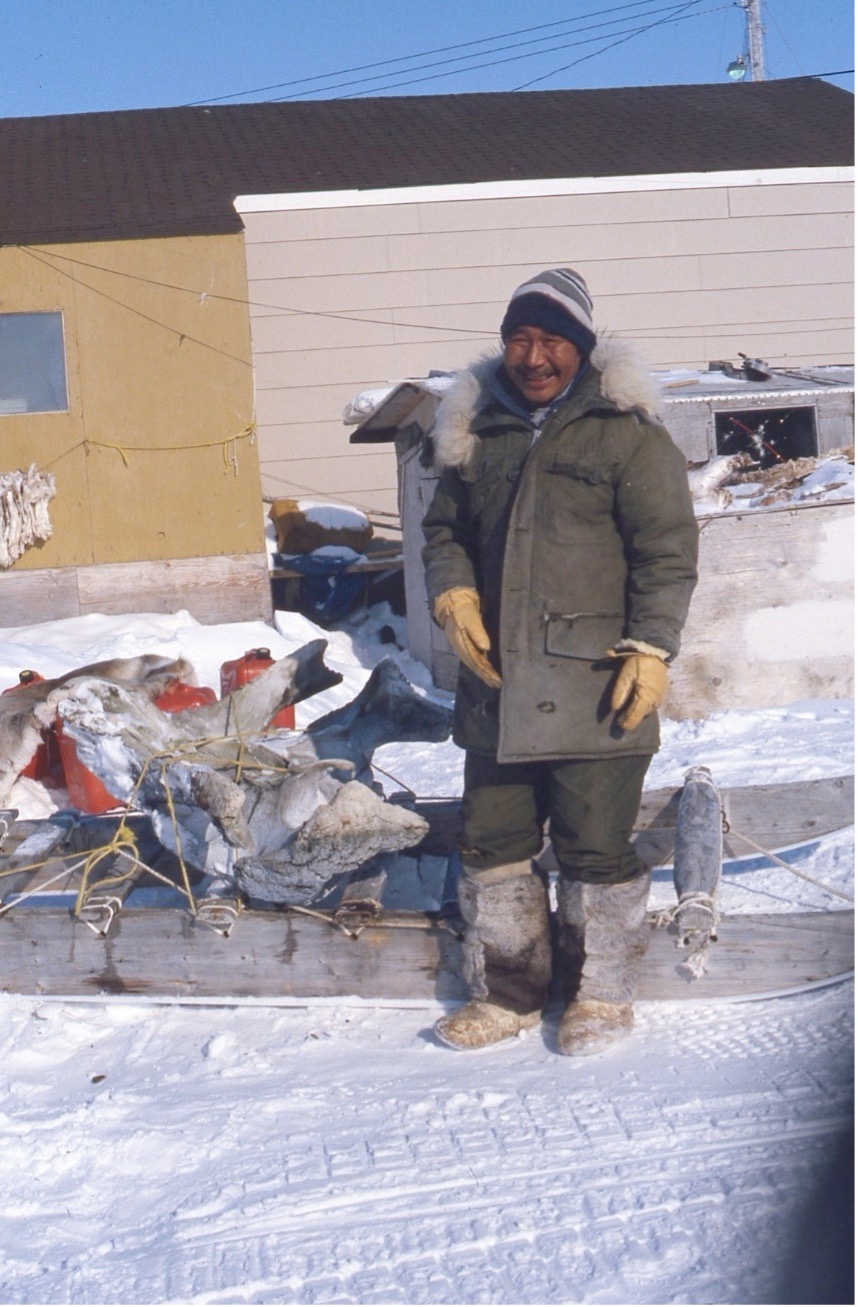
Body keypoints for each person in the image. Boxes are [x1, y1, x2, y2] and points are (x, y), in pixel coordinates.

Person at [422, 268, 698, 1054]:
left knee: (595, 848)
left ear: (581, 348)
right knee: (492, 843)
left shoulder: (627, 431)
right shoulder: (474, 432)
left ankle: (599, 997)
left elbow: (668, 551)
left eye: (550, 341)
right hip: (497, 688)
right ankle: (508, 995)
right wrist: (452, 595)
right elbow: (443, 531)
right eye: (519, 339)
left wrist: (652, 645)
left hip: (597, 685)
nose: (533, 357)